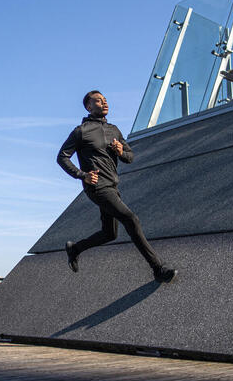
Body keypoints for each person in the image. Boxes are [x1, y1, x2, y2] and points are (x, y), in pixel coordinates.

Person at [56, 90, 177, 283]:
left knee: (109, 233)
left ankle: (75, 248)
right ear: (89, 107)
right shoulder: (81, 131)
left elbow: (130, 157)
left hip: (112, 186)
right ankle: (158, 269)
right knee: (131, 219)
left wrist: (121, 151)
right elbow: (62, 157)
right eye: (98, 101)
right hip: (97, 188)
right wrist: (82, 175)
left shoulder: (114, 130)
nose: (104, 103)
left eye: (105, 100)